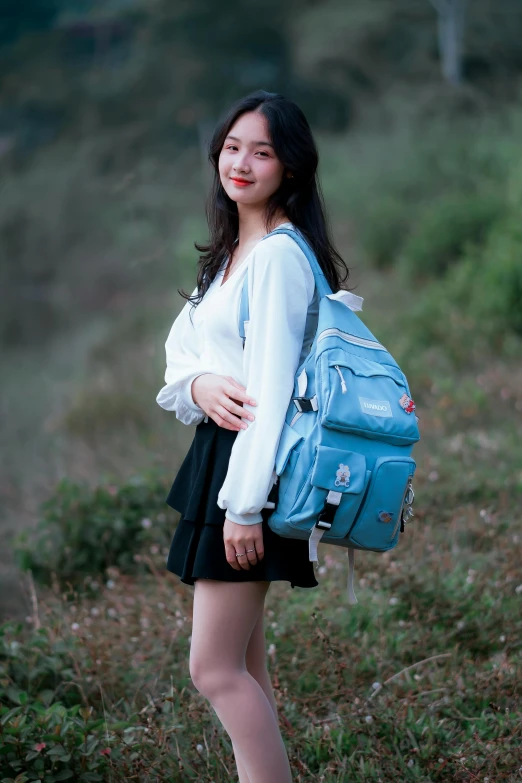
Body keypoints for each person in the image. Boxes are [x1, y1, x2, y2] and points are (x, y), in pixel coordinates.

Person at [156, 89, 350, 783]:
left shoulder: (276, 257)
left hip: (249, 472)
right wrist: (200, 384)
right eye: (233, 147)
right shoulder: (234, 251)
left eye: (262, 152)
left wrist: (244, 505)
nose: (242, 163)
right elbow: (181, 351)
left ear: (290, 168)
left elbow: (269, 390)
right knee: (244, 669)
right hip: (223, 458)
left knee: (213, 670)